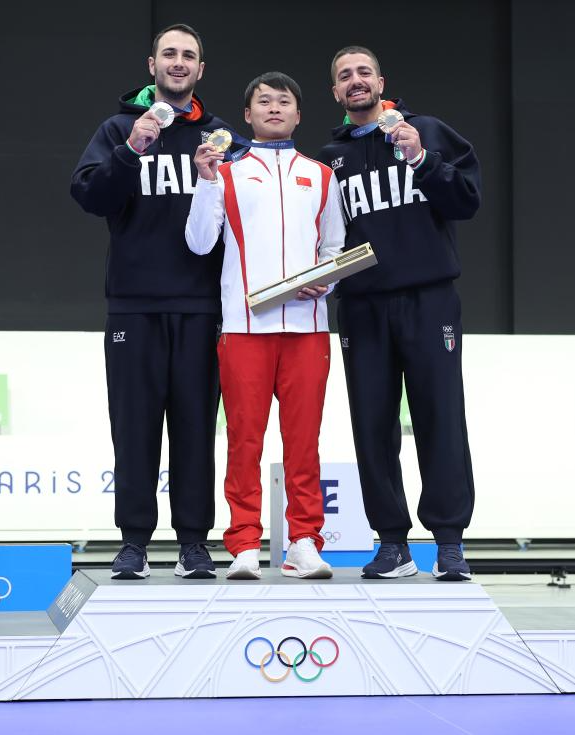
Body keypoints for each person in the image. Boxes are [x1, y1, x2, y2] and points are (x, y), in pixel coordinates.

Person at [70, 24, 233, 580]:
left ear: (201, 70)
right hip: (133, 308)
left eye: (189, 55)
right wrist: (130, 150)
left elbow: (242, 221)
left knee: (194, 429)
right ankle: (134, 541)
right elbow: (89, 195)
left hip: (200, 308)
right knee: (134, 427)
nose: (179, 63)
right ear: (152, 64)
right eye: (170, 54)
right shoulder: (119, 129)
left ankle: (193, 542)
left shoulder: (219, 139)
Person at [319, 46, 480, 581]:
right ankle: (392, 543)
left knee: (440, 416)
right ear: (336, 93)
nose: (355, 81)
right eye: (345, 76)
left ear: (381, 81)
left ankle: (450, 542)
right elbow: (323, 236)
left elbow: (467, 200)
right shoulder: (329, 159)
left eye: (363, 72)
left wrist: (421, 159)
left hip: (429, 299)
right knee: (371, 425)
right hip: (362, 307)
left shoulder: (425, 130)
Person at [185, 72, 345, 580]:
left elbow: (334, 249)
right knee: (244, 440)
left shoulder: (321, 175)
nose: (274, 108)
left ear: (299, 114)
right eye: (263, 102)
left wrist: (329, 282)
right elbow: (198, 242)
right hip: (243, 327)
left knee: (304, 442)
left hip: (308, 328)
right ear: (247, 115)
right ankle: (245, 543)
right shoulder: (226, 173)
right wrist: (206, 181)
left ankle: (303, 541)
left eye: (284, 102)